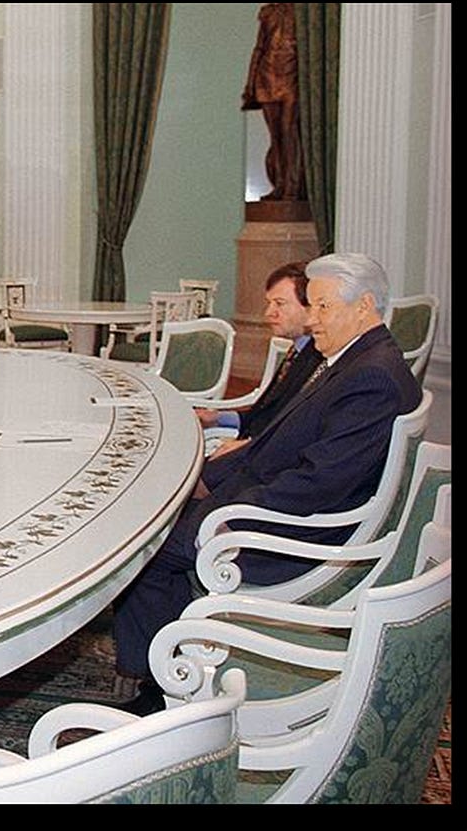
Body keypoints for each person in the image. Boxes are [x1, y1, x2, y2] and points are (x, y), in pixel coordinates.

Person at [111, 252, 421, 714]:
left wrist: (224, 513)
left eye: (322, 307)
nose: (312, 319)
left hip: (293, 535)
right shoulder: (355, 359)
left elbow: (318, 483)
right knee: (156, 521)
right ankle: (168, 666)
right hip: (270, 502)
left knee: (144, 552)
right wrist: (217, 482)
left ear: (364, 306)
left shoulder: (371, 376)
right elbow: (281, 444)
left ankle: (162, 691)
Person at [195, 260, 322, 457]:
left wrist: (248, 446)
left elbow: (296, 432)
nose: (269, 313)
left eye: (280, 303)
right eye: (269, 303)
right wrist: (218, 418)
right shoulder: (298, 350)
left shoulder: (319, 359)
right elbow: (269, 414)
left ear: (310, 307)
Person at [242, 3, 305, 201]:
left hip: (291, 75)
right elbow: (259, 48)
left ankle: (293, 186)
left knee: (289, 132)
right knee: (276, 136)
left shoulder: (302, 11)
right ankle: (280, 184)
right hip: (268, 75)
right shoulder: (268, 12)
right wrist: (250, 83)